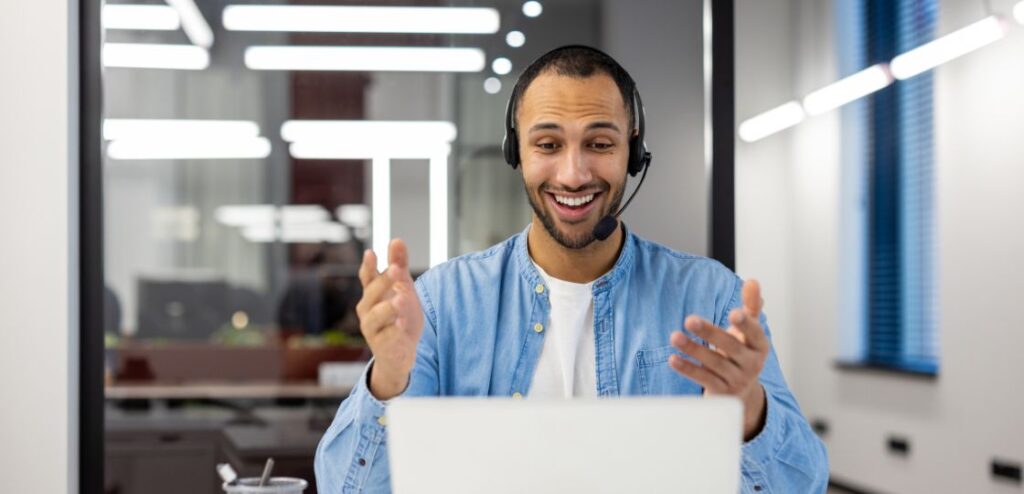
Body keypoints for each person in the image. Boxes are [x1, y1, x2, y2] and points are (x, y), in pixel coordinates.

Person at [315, 45, 828, 493]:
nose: (573, 173)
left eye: (600, 144)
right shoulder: (442, 303)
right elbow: (347, 487)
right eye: (548, 144)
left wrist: (747, 411)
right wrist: (389, 379)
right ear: (516, 152)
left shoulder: (713, 299)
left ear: (634, 153)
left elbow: (801, 485)